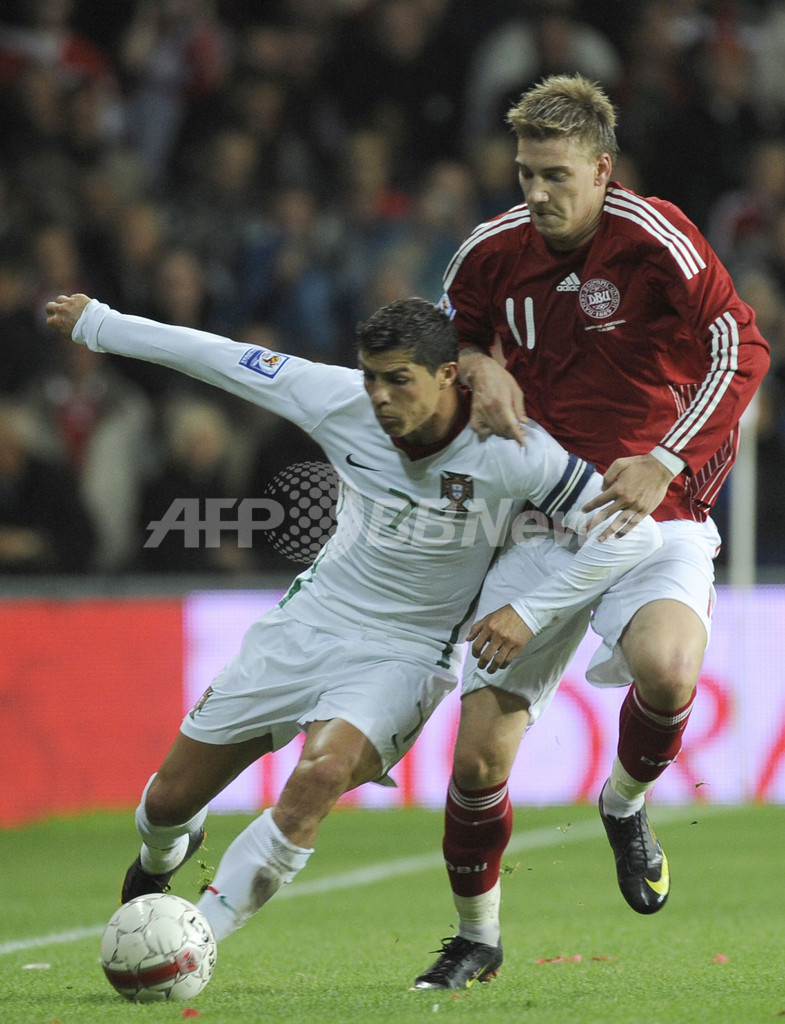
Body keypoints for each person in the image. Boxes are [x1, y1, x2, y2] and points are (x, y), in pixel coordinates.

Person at [45, 290, 661, 950]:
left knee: (318, 776)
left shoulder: (513, 449)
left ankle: (196, 941)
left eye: (398, 380)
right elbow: (218, 358)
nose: (380, 397)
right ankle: (161, 858)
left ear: (447, 376)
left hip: (404, 654)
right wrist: (102, 325)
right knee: (167, 803)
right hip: (307, 625)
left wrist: (527, 612)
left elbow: (634, 537)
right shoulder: (336, 398)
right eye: (371, 378)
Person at [412, 73, 770, 990]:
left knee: (667, 667)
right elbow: (443, 341)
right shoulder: (490, 252)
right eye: (525, 172)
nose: (536, 192)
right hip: (536, 520)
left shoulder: (655, 236)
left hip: (651, 509)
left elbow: (741, 345)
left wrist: (667, 458)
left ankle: (623, 803)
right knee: (480, 754)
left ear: (601, 171)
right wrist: (470, 365)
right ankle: (475, 938)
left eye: (556, 175)